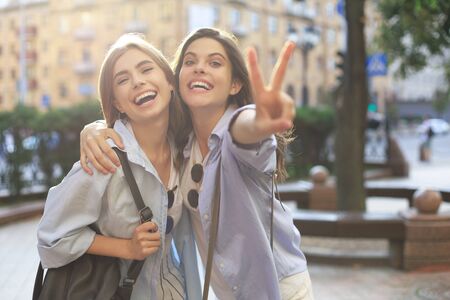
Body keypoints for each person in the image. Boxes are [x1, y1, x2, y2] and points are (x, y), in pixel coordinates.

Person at [80, 28, 313, 299]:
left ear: (234, 84)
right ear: (177, 80)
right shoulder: (181, 143)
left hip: (280, 289)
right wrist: (95, 129)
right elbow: (139, 125)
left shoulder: (238, 134)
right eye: (190, 62)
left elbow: (245, 134)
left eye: (214, 63)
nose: (200, 68)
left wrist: (259, 122)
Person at [37, 33, 201, 300]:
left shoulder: (184, 148)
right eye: (122, 80)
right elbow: (51, 237)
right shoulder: (105, 157)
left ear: (170, 81)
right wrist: (126, 248)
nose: (137, 81)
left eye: (146, 69)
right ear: (116, 102)